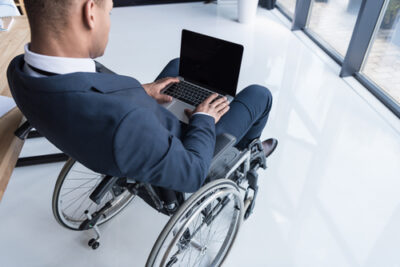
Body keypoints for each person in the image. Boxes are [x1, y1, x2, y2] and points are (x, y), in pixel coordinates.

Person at [7, 0, 277, 193]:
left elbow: (91, 88)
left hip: (128, 126)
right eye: (109, 12)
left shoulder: (18, 72)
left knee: (178, 68)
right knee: (258, 94)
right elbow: (192, 174)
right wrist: (204, 119)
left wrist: (141, 91)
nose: (109, 23)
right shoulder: (126, 123)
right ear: (91, 12)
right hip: (186, 142)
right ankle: (243, 155)